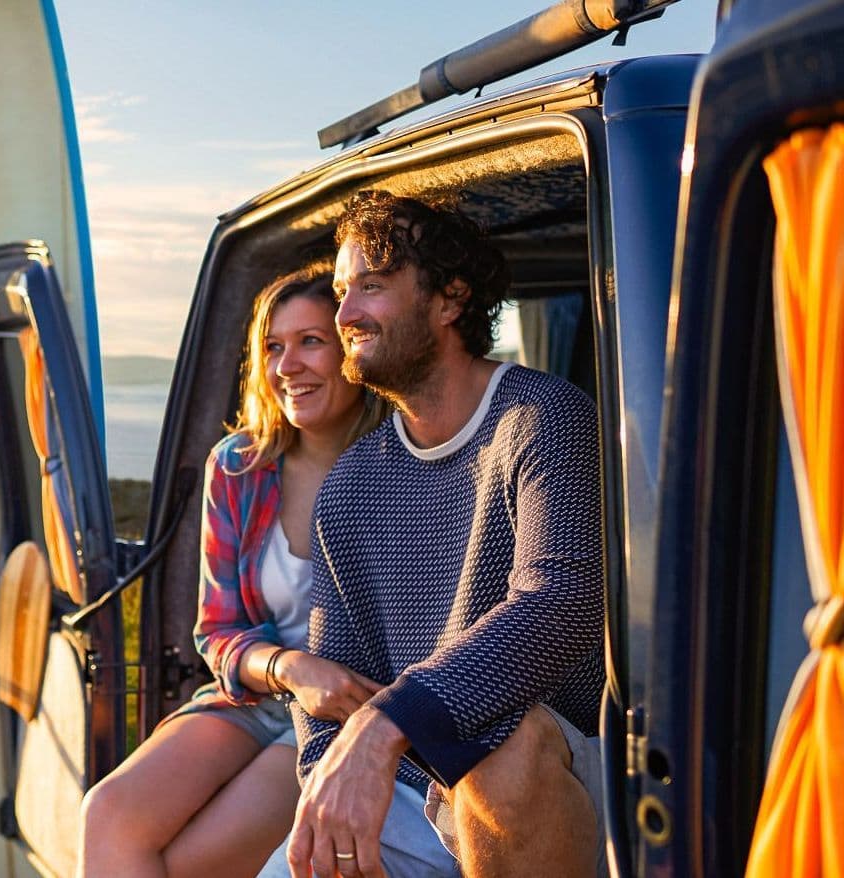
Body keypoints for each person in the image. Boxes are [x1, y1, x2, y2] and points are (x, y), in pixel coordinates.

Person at [278, 190, 605, 878]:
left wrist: (387, 723)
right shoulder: (352, 482)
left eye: (370, 285)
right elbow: (334, 675)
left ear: (450, 299)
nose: (343, 316)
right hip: (413, 779)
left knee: (503, 746)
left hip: (555, 770)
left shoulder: (543, 419)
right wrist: (329, 780)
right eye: (341, 292)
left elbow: (562, 604)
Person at [77, 261, 388, 878]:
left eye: (311, 342)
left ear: (354, 352)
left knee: (191, 862)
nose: (287, 366)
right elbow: (216, 630)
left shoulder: (398, 462)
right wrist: (287, 666)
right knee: (105, 814)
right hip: (257, 692)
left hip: (345, 713)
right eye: (272, 347)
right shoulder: (239, 466)